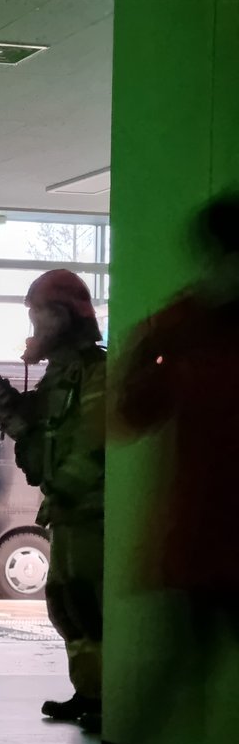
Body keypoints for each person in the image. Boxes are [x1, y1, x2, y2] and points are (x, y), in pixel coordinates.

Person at [0, 269, 106, 731]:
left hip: (90, 510)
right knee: (65, 602)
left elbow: (95, 442)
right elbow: (36, 437)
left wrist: (69, 489)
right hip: (68, 508)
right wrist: (10, 409)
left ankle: (104, 698)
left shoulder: (95, 370)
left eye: (40, 312)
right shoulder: (59, 376)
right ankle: (89, 692)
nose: (34, 323)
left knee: (89, 602)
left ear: (65, 314)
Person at [115, 193, 239, 611]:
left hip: (197, 541)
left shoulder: (184, 327)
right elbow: (133, 410)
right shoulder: (184, 329)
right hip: (199, 543)